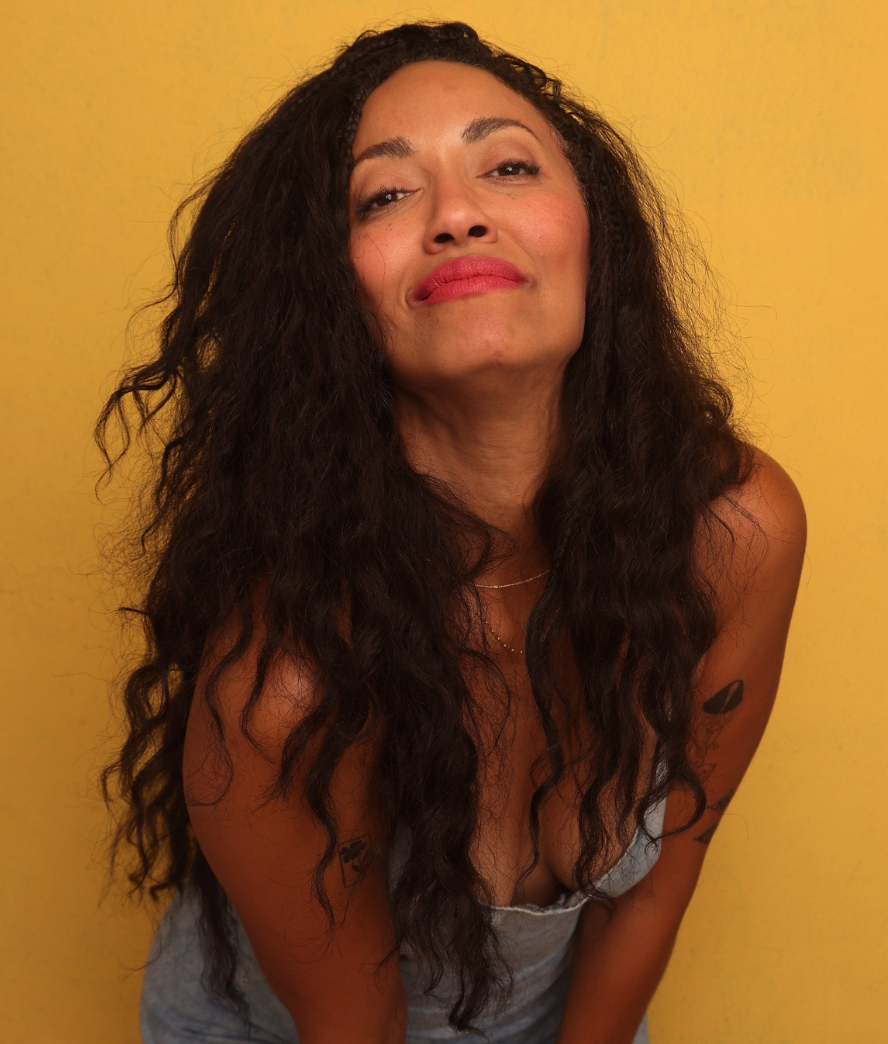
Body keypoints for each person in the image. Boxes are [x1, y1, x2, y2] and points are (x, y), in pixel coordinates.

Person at [98, 20, 806, 1044]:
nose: (458, 215)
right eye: (385, 194)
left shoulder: (735, 534)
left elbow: (655, 886)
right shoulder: (285, 691)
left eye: (506, 165)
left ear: (591, 230)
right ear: (324, 290)